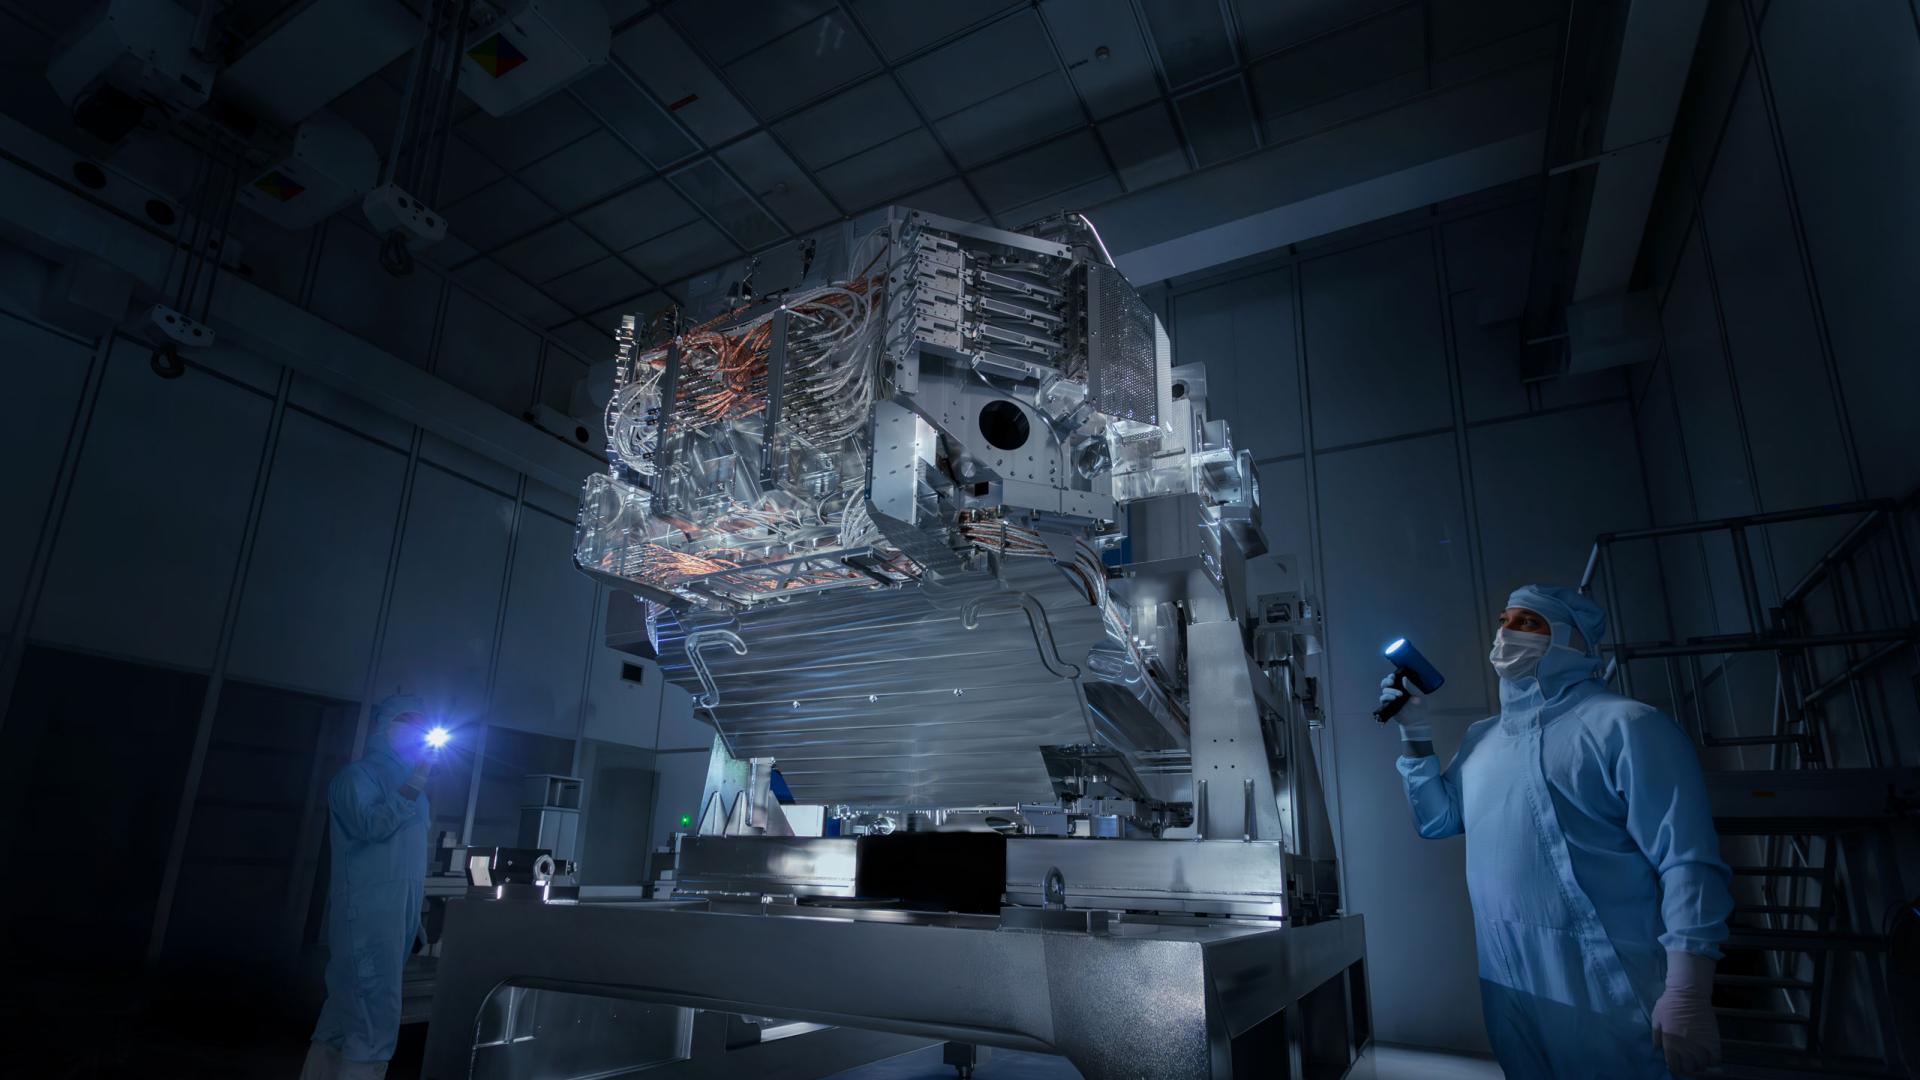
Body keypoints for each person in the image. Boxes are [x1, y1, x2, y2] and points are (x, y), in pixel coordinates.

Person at [1382, 585, 1732, 1079]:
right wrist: (1414, 733)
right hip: (1508, 982)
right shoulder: (1484, 738)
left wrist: (1689, 988)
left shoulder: (1627, 726)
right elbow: (1438, 821)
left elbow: (1688, 862)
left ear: (1570, 639)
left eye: (1527, 622)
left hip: (1610, 987)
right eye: (1504, 620)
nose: (1505, 632)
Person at [301, 695, 436, 1079]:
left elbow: (406, 861)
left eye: (420, 724)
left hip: (393, 916)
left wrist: (414, 918)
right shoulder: (355, 778)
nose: (415, 732)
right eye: (405, 722)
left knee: (343, 1015)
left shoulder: (416, 788)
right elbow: (371, 827)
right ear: (384, 727)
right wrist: (413, 785)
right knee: (374, 1012)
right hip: (366, 915)